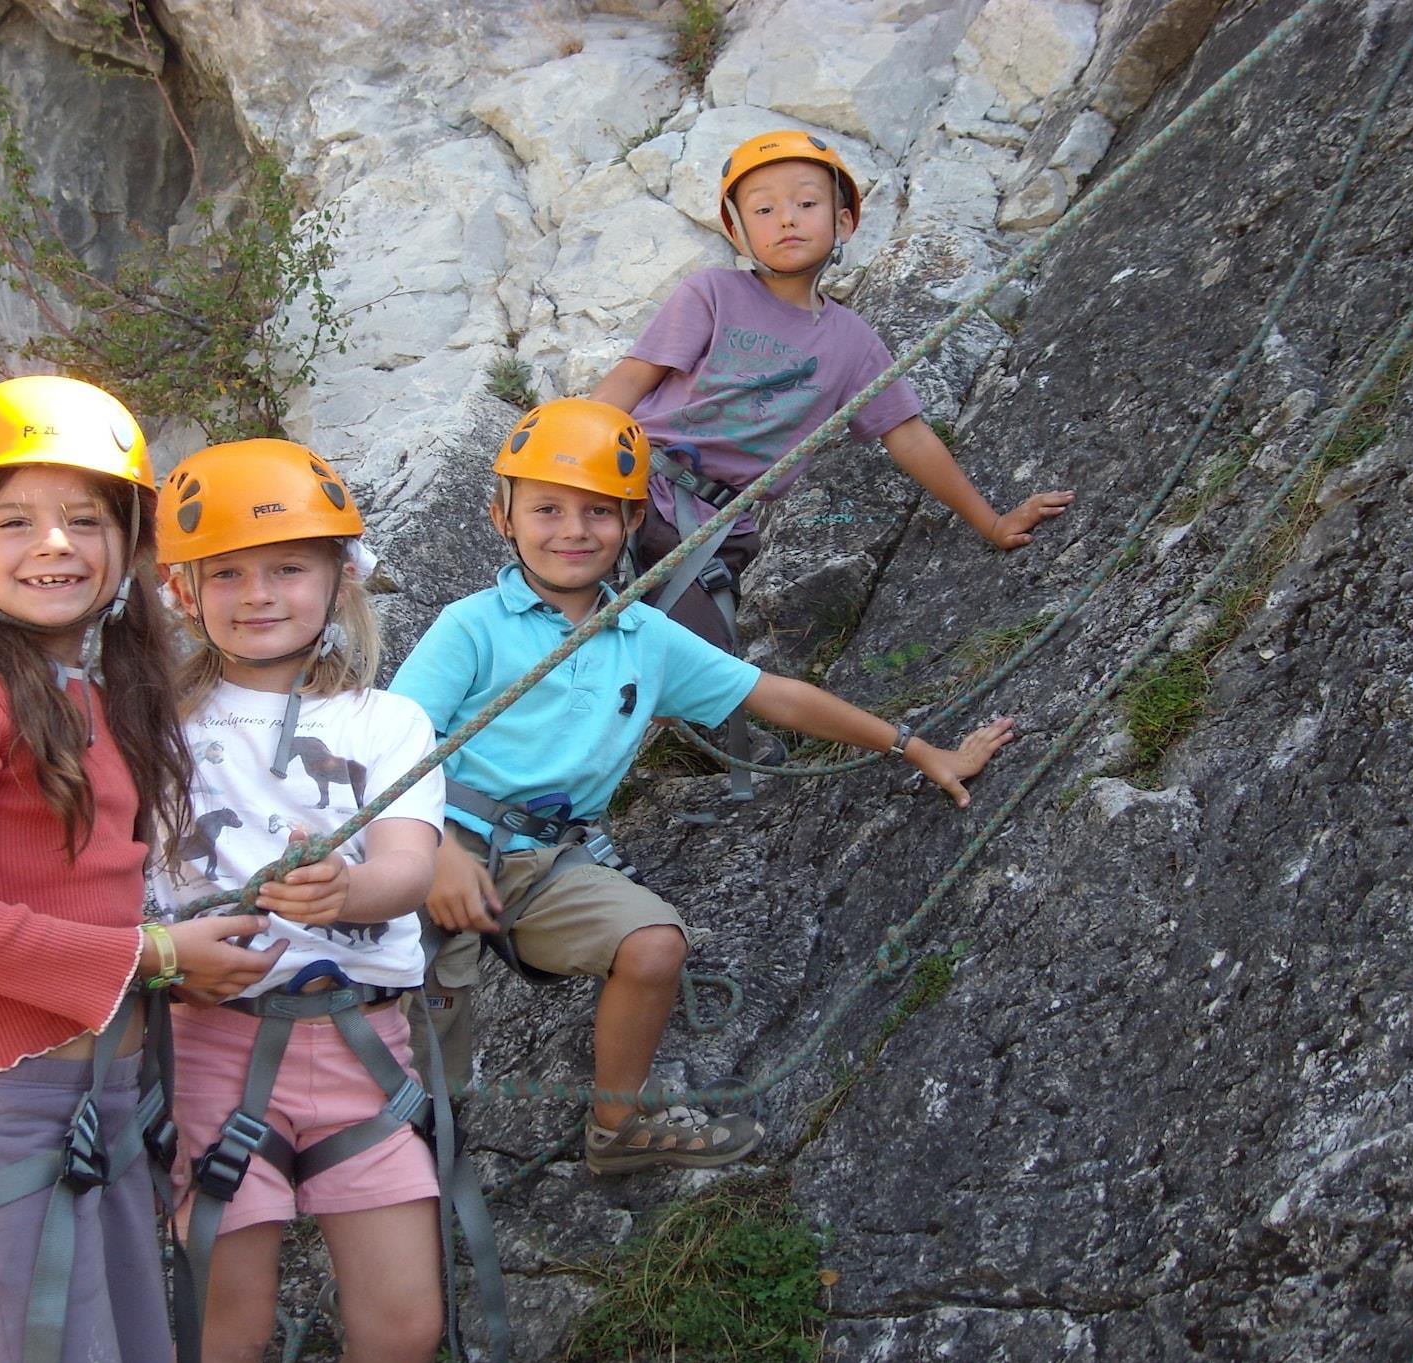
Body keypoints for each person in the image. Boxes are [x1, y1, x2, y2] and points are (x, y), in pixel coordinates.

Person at [390, 398, 1016, 1175]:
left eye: (598, 511)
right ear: (501, 518)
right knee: (428, 1067)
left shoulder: (643, 637)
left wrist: (917, 748)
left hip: (543, 861)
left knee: (654, 944)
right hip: (433, 840)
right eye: (547, 509)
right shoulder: (471, 625)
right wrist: (437, 850)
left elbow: (777, 696)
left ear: (631, 520)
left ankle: (616, 1127)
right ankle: (408, 1157)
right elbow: (392, 747)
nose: (573, 530)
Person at [0, 374, 284, 1363]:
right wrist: (154, 956)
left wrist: (162, 962)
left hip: (98, 1090)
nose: (54, 543)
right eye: (15, 519)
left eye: (85, 519)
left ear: (129, 541)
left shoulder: (87, 689)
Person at [151, 439, 449, 1363]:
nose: (259, 594)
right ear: (185, 591)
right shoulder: (154, 727)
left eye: (287, 568)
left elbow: (411, 864)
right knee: (225, 1328)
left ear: (340, 575)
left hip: (365, 1044)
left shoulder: (388, 721)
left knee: (406, 1329)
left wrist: (346, 888)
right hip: (215, 1045)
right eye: (227, 573)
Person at [589, 128, 1075, 649]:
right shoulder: (712, 293)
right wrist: (559, 458)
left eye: (806, 203)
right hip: (633, 488)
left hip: (714, 532)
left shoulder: (854, 344)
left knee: (696, 669)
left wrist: (992, 523)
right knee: (555, 617)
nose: (787, 219)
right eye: (764, 210)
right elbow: (632, 379)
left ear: (842, 222)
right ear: (739, 234)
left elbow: (910, 439)